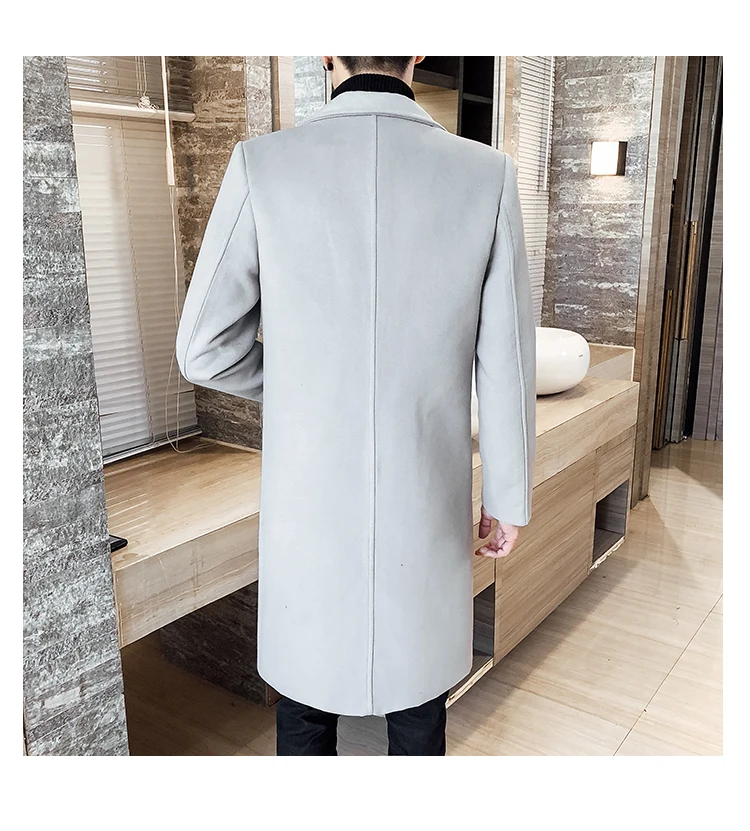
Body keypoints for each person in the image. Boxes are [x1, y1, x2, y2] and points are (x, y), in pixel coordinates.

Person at [176, 55, 536, 756]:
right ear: (419, 49)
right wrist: (507, 495)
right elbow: (508, 360)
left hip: (309, 511)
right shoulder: (486, 175)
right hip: (423, 501)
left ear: (327, 50)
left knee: (304, 711)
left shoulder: (263, 165)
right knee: (419, 711)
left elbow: (202, 349)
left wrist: (305, 383)